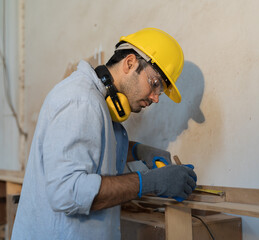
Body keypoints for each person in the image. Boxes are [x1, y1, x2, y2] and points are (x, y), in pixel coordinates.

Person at [12, 28, 197, 240]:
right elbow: (67, 192)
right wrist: (151, 181)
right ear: (130, 63)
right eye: (154, 83)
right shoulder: (80, 101)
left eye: (160, 91)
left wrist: (137, 151)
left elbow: (94, 145)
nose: (155, 98)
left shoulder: (98, 104)